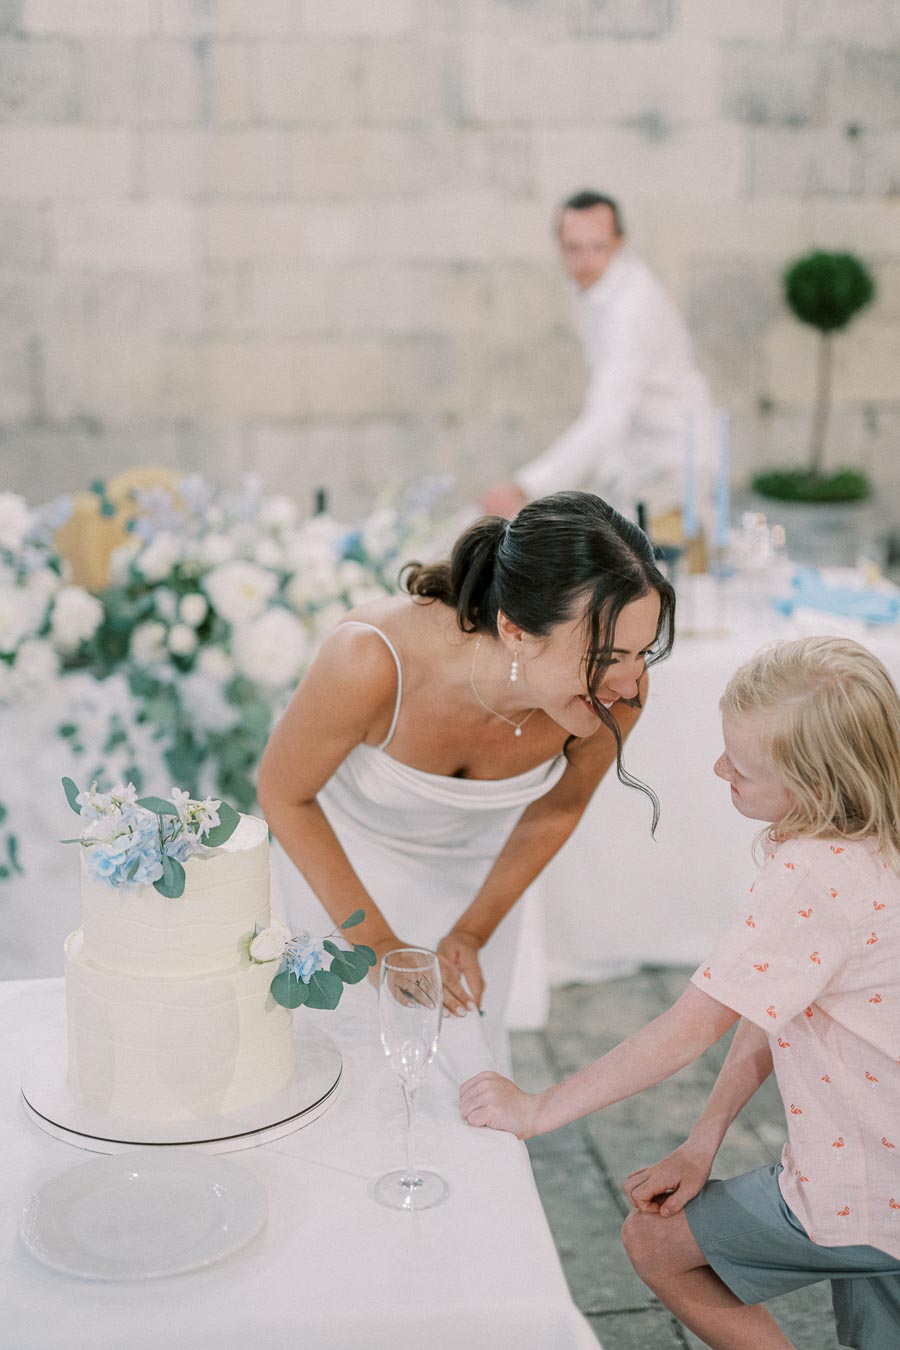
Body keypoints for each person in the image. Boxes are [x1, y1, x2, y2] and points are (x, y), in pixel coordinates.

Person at [460, 636, 900, 1349]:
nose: (719, 768)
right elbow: (772, 1004)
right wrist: (703, 1141)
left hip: (866, 1187)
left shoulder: (811, 875)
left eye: (744, 769)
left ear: (816, 787)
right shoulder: (879, 836)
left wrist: (540, 1108)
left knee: (654, 1243)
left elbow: (691, 1027)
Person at [257, 491, 674, 1070]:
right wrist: (378, 945)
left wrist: (474, 932)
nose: (628, 684)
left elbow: (557, 809)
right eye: (606, 654)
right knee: (338, 1072)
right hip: (341, 886)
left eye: (641, 652)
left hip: (480, 896)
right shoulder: (370, 661)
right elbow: (284, 794)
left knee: (464, 1080)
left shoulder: (616, 699)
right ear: (516, 629)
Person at [482, 189, 713, 527]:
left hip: (675, 463)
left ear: (619, 243)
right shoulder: (600, 288)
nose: (585, 261)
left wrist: (525, 486)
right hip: (636, 460)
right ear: (559, 245)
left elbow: (607, 416)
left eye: (598, 247)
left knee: (654, 574)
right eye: (573, 248)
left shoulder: (630, 309)